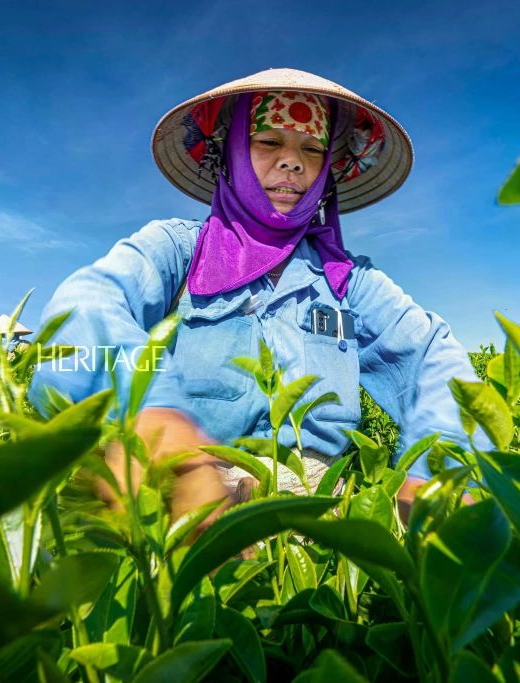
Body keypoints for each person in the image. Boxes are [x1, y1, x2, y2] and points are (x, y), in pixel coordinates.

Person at [28, 68, 481, 519]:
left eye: (311, 149)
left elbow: (432, 357)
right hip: (186, 504)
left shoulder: (346, 280)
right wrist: (152, 415)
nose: (292, 162)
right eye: (268, 143)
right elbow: (86, 305)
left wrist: (438, 468)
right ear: (232, 153)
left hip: (317, 520)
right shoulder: (178, 250)